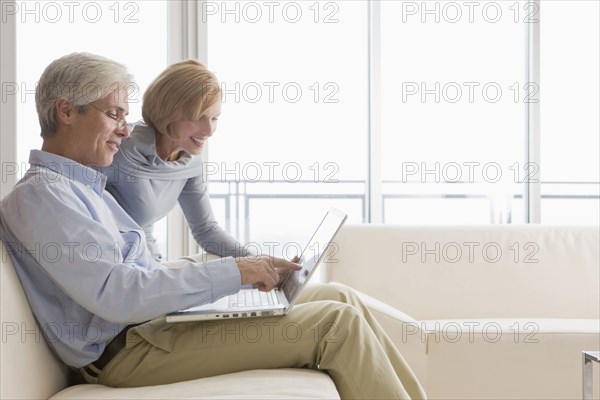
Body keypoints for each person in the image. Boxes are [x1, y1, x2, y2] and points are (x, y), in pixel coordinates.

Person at [0, 53, 426, 399]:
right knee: (336, 324)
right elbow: (118, 294)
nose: (124, 131)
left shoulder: (85, 186)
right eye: (114, 115)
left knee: (337, 295)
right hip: (127, 351)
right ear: (66, 111)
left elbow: (143, 271)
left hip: (153, 326)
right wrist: (237, 272)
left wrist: (248, 270)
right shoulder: (44, 196)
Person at [97, 60, 246, 262]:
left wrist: (262, 262)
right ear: (169, 113)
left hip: (150, 264)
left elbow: (206, 230)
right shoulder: (120, 149)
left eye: (214, 118)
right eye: (199, 117)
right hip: (116, 270)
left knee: (220, 265)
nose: (209, 131)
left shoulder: (191, 162)